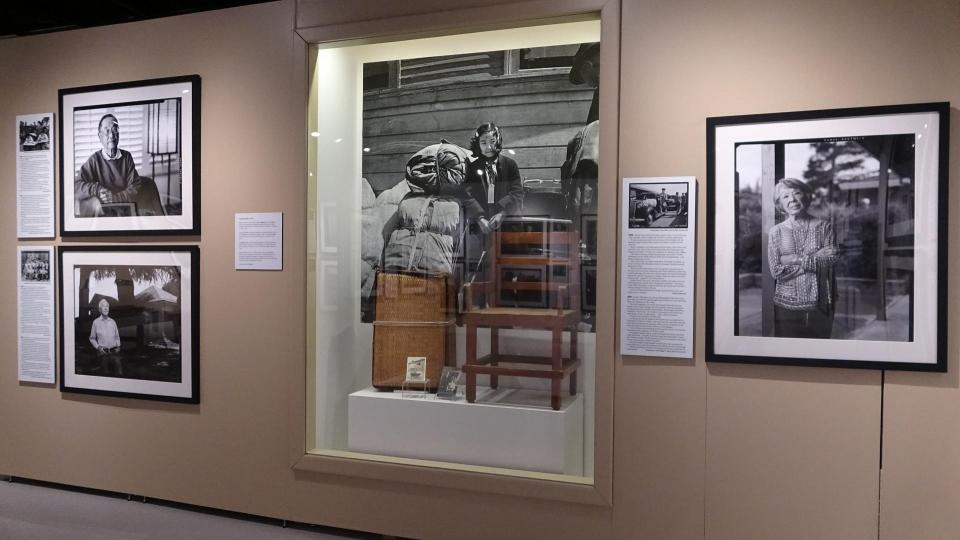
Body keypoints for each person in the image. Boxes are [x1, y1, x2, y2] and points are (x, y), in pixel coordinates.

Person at [767, 178, 838, 339]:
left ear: (806, 196)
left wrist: (794, 258)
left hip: (821, 301)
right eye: (785, 196)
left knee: (820, 352)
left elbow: (832, 259)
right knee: (788, 354)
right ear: (780, 204)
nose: (792, 199)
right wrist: (815, 257)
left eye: (796, 193)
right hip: (786, 304)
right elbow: (776, 271)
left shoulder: (825, 227)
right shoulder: (776, 232)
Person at [75, 114, 164, 218]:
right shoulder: (94, 160)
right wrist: (97, 189)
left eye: (115, 130)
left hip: (126, 206)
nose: (112, 135)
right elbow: (76, 185)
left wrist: (115, 198)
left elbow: (135, 186)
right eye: (107, 130)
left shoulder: (126, 157)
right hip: (106, 211)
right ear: (100, 136)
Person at [462, 122, 524, 233]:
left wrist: (502, 213)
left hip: (507, 221)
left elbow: (517, 193)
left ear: (498, 141)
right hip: (481, 224)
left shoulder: (510, 165)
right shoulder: (472, 168)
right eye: (483, 143)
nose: (489, 147)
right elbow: (467, 196)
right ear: (478, 145)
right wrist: (480, 219)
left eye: (492, 142)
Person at [89, 298, 123, 376]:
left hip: (114, 352)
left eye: (107, 306)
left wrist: (118, 346)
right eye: (103, 306)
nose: (105, 308)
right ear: (100, 309)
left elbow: (117, 336)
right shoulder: (96, 322)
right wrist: (98, 347)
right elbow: (92, 338)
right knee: (105, 374)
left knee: (119, 373)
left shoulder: (113, 321)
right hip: (103, 353)